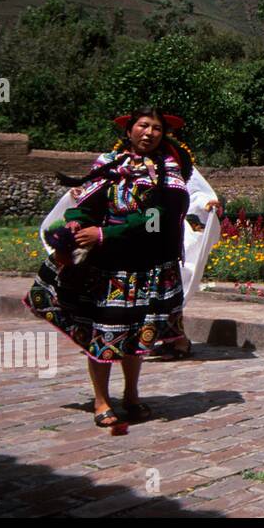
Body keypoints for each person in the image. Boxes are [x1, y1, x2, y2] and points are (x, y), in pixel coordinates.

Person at [25, 107, 200, 428]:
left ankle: (131, 396)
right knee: (103, 333)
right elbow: (85, 205)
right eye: (143, 126)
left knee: (135, 335)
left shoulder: (168, 172)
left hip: (144, 266)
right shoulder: (108, 163)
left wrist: (105, 232)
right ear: (130, 130)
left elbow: (157, 218)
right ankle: (102, 399)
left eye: (157, 129)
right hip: (106, 268)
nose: (149, 133)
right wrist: (75, 228)